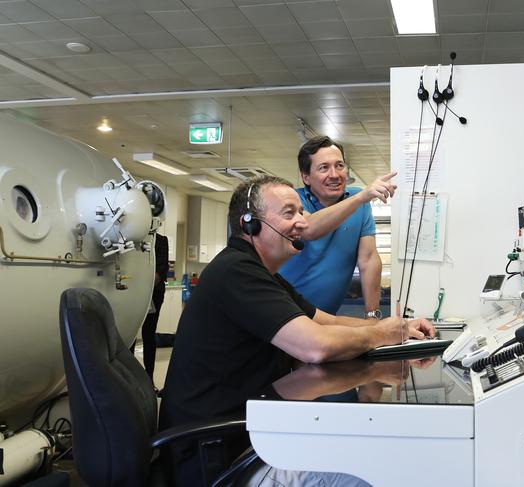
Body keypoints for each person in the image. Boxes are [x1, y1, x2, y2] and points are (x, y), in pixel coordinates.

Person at [159, 175, 434, 486]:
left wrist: (396, 327)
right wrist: (384, 334)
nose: (302, 222)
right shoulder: (236, 272)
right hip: (223, 456)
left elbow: (322, 320)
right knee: (368, 476)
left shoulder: (262, 274)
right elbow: (316, 346)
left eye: (301, 212)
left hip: (252, 436)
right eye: (289, 214)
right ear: (249, 224)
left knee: (363, 452)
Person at [280, 136, 394, 318]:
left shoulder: (359, 202)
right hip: (284, 313)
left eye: (339, 165)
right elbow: (308, 229)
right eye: (324, 168)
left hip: (325, 316)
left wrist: (372, 316)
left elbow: (369, 259)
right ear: (306, 177)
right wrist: (359, 198)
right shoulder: (292, 199)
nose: (334, 175)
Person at [142, 232, 168, 380]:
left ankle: (149, 375)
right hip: (136, 291)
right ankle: (130, 376)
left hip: (154, 293)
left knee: (148, 334)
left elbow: (161, 269)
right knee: (131, 335)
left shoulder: (161, 241)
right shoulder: (136, 239)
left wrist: (145, 288)